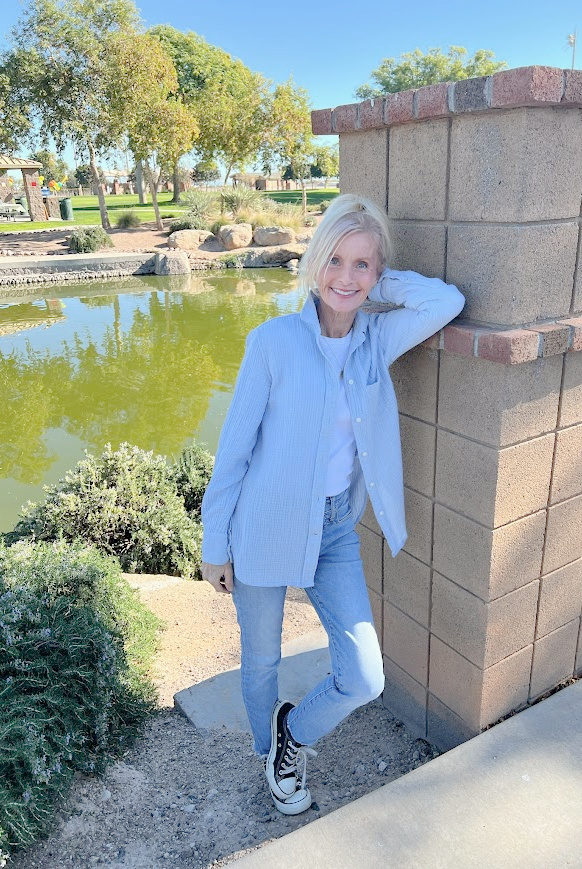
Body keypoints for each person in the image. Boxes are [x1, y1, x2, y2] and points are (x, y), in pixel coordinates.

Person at [201, 193, 465, 815]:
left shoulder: (379, 336)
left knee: (364, 676)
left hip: (335, 530)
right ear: (313, 263)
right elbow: (233, 452)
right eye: (334, 261)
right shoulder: (270, 343)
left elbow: (444, 302)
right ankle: (271, 757)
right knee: (261, 657)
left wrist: (377, 280)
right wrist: (216, 545)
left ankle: (292, 735)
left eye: (362, 266)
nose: (346, 278)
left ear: (377, 277)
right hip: (262, 526)